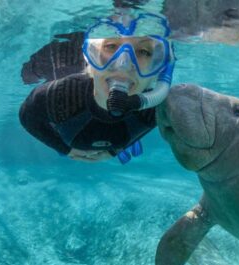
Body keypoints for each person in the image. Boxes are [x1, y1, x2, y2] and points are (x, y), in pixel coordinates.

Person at [19, 12, 175, 164]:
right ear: (90, 59)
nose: (123, 65)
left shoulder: (156, 106)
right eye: (111, 46)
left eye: (143, 51)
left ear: (157, 69)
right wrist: (63, 148)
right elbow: (27, 117)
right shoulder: (60, 94)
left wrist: (117, 149)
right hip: (69, 141)